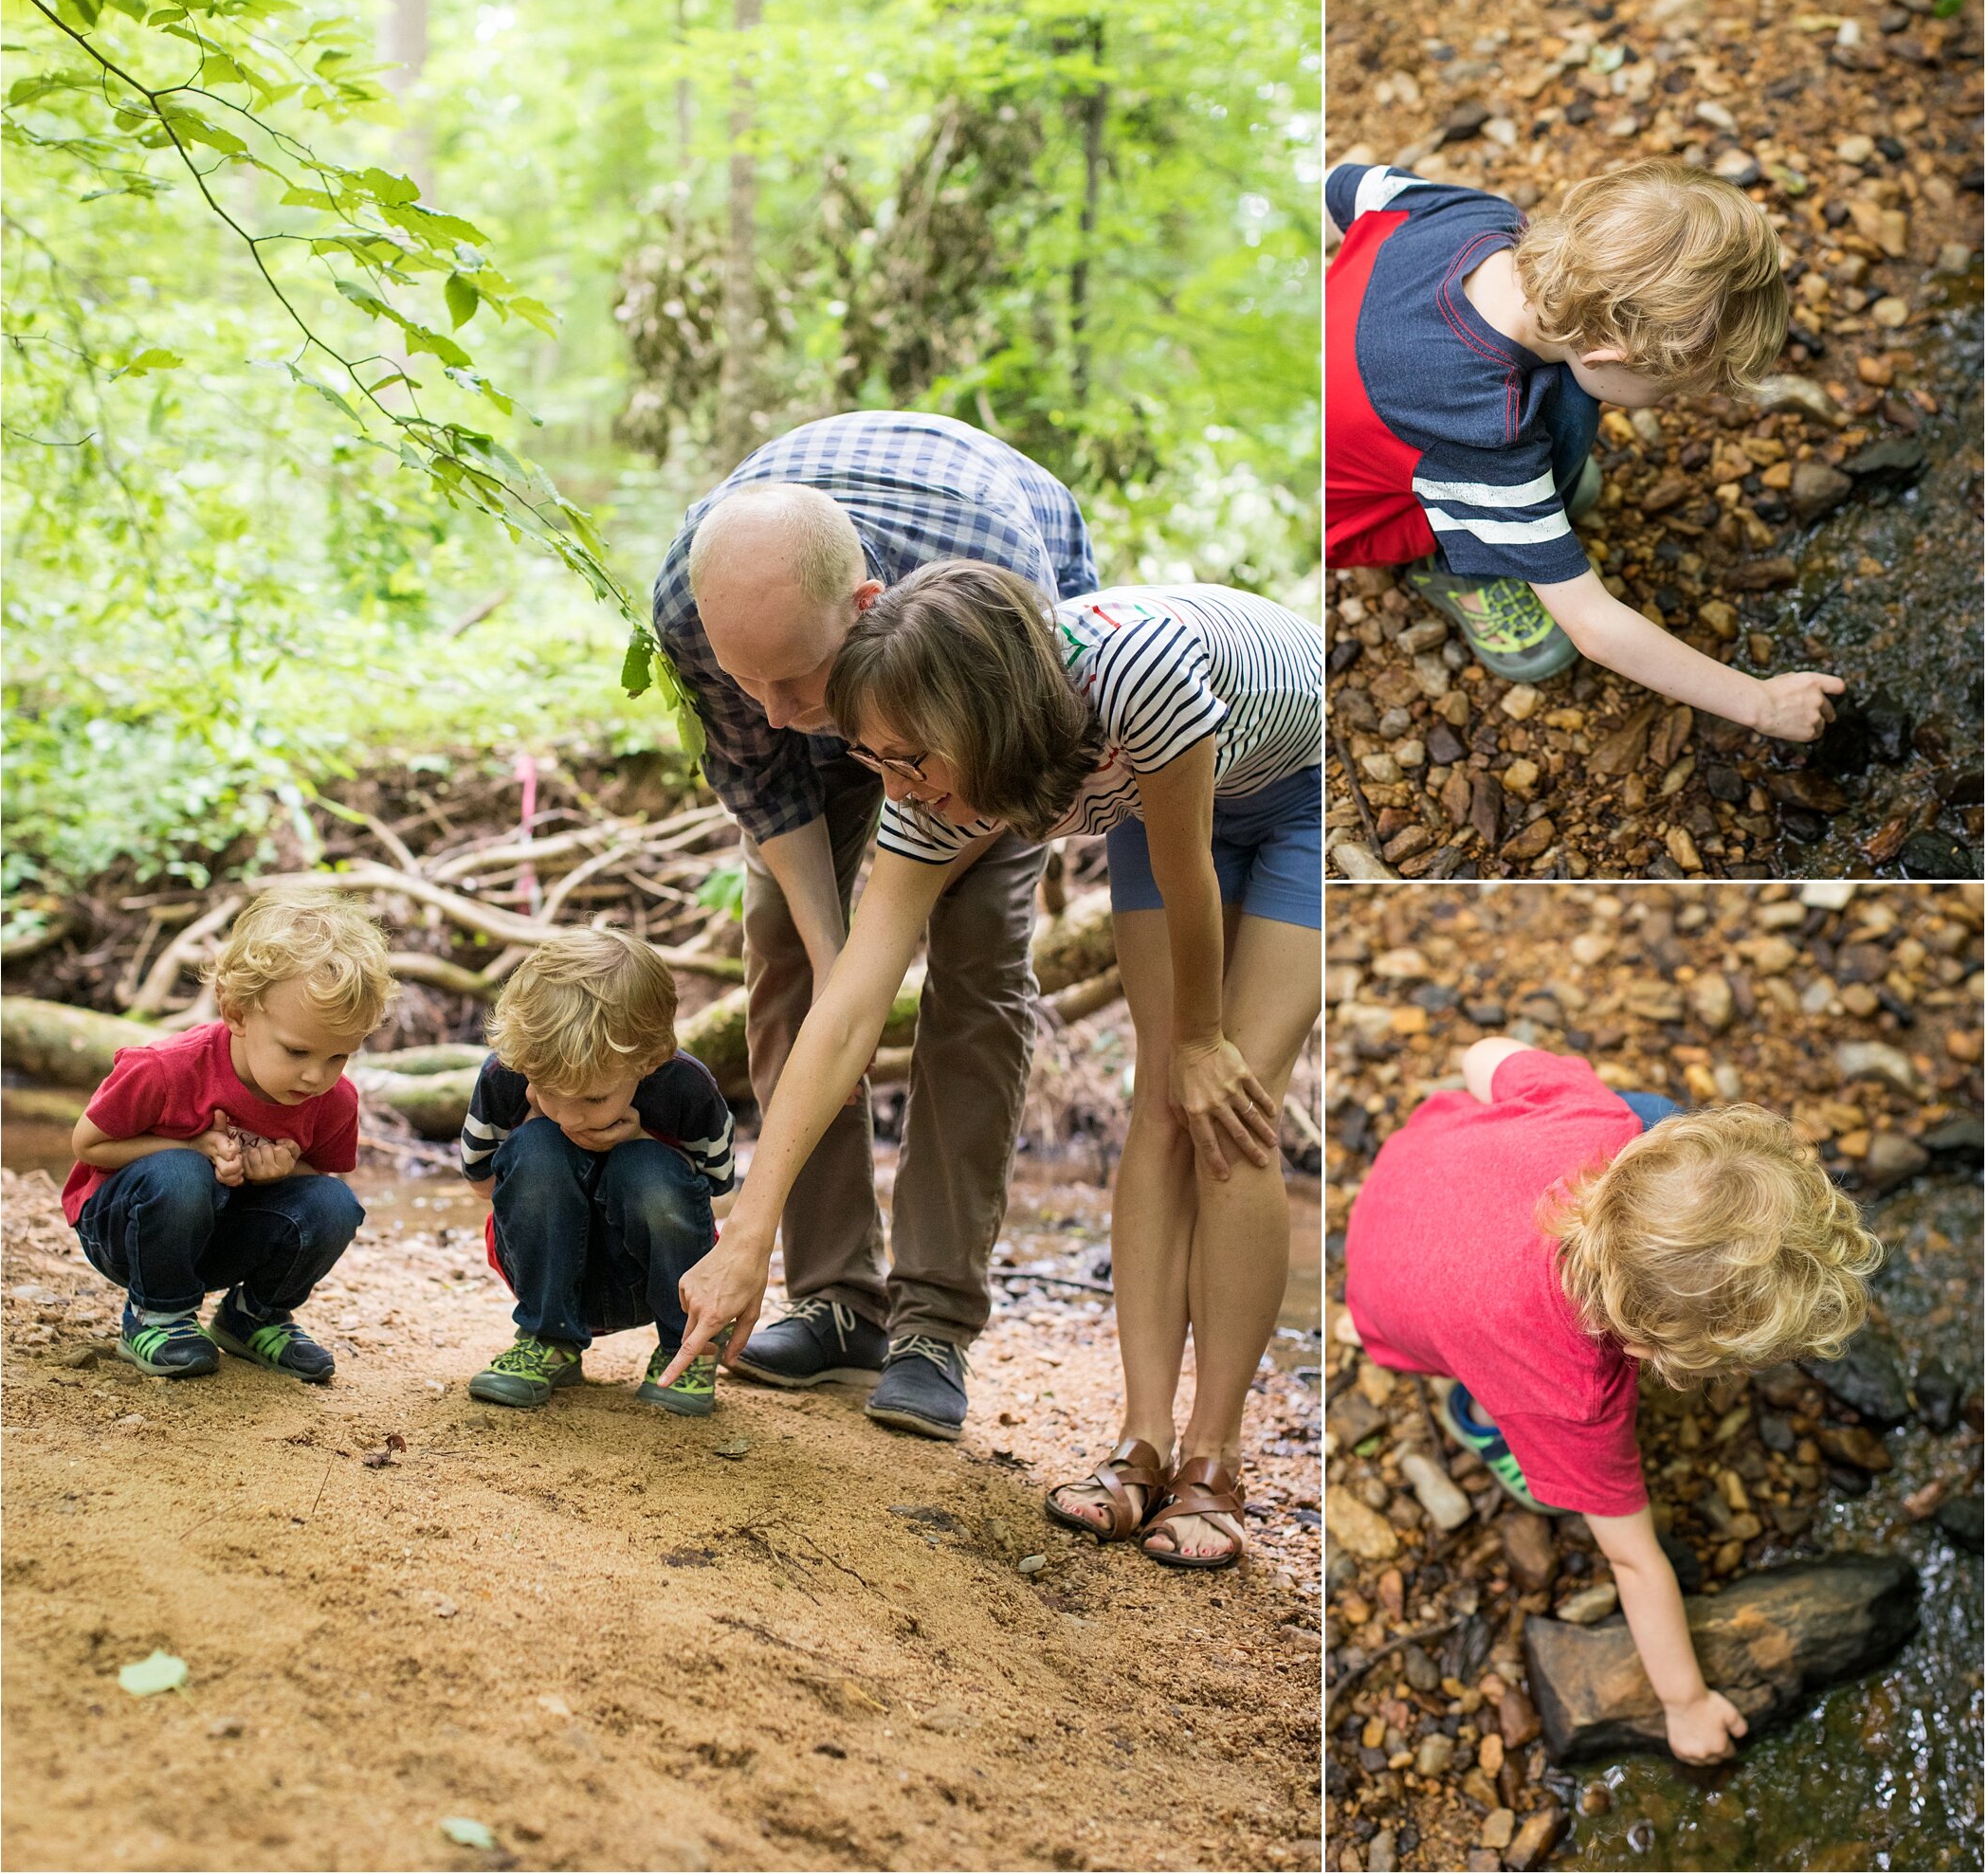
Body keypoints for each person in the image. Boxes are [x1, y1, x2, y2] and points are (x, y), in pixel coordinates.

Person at [656, 565, 1322, 1569]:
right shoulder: (925, 788)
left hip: (1295, 790)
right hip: (1156, 805)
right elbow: (844, 1015)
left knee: (1233, 1110)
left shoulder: (1133, 671)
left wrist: (1201, 1042)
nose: (902, 785)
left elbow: (1190, 873)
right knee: (1159, 1111)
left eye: (913, 758)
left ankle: (1214, 1461)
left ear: (987, 715)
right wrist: (749, 1234)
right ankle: (1141, 1445)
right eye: (874, 758)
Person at [651, 410, 1096, 1440]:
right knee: (787, 956)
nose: (764, 709)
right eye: (741, 679)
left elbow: (1016, 764)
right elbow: (767, 785)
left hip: (976, 708)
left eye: (791, 681)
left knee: (978, 967)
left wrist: (879, 955)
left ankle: (933, 1322)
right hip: (847, 684)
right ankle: (834, 1300)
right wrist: (836, 963)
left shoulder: (990, 583)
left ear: (864, 605)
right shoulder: (702, 611)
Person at [1341, 1040, 1883, 1761]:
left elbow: (1480, 1056)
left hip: (1407, 1177)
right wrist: (1685, 1704)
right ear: (1654, 1350)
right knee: (1554, 1476)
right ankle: (1480, 1419)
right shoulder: (1575, 1394)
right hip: (1401, 1311)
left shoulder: (1586, 1112)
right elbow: (1634, 1563)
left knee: (1647, 1113)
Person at [1324, 155, 1843, 737]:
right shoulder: (1477, 427)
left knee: (1558, 396)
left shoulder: (1471, 213)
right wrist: (1762, 704)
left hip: (1354, 415)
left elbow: (1339, 185)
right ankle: (1464, 574)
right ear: (1609, 357)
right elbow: (1593, 624)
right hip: (1352, 518)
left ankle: (1527, 518)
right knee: (1566, 401)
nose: (1669, 403)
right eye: (1667, 391)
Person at [64, 888, 394, 1383]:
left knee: (333, 1203)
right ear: (237, 1013)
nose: (315, 1077)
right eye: (297, 1052)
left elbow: (310, 1185)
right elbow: (87, 1145)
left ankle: (253, 1317)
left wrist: (280, 1171)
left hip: (219, 1239)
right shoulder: (165, 1069)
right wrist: (190, 1146)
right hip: (125, 1232)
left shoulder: (335, 1099)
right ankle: (157, 1316)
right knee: (181, 1172)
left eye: (338, 1056)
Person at [462, 929, 736, 1417]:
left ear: (649, 1062)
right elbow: (483, 1181)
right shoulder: (506, 1075)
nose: (570, 1117)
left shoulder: (685, 1088)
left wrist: (640, 1141)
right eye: (548, 1091)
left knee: (647, 1169)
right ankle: (549, 1340)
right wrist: (536, 1127)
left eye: (592, 1099)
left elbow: (714, 1185)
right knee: (538, 1146)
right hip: (546, 1269)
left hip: (648, 1275)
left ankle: (685, 1347)